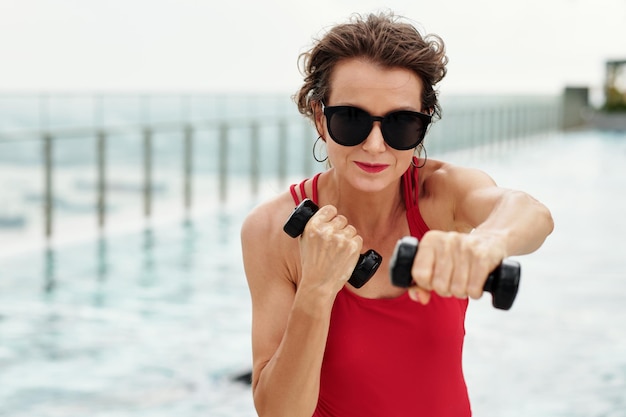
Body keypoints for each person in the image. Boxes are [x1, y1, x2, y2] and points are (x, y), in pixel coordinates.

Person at [240, 11, 553, 417]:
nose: (374, 145)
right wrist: (316, 290)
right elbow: (278, 413)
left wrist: (486, 244)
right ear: (320, 117)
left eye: (400, 123)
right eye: (351, 119)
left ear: (423, 125)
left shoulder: (442, 195)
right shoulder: (270, 230)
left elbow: (532, 213)